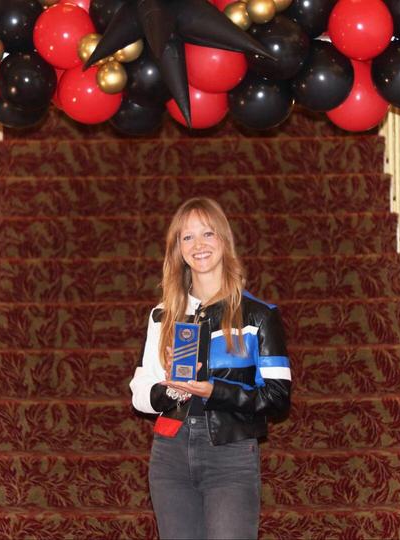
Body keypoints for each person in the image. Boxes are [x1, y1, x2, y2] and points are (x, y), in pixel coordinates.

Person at [130, 197, 292, 539]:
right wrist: (172, 390)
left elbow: (278, 398)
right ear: (178, 249)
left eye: (207, 233)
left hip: (230, 453)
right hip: (170, 453)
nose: (198, 245)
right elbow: (140, 393)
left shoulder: (259, 316)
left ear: (223, 240)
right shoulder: (162, 314)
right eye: (187, 237)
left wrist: (215, 391)